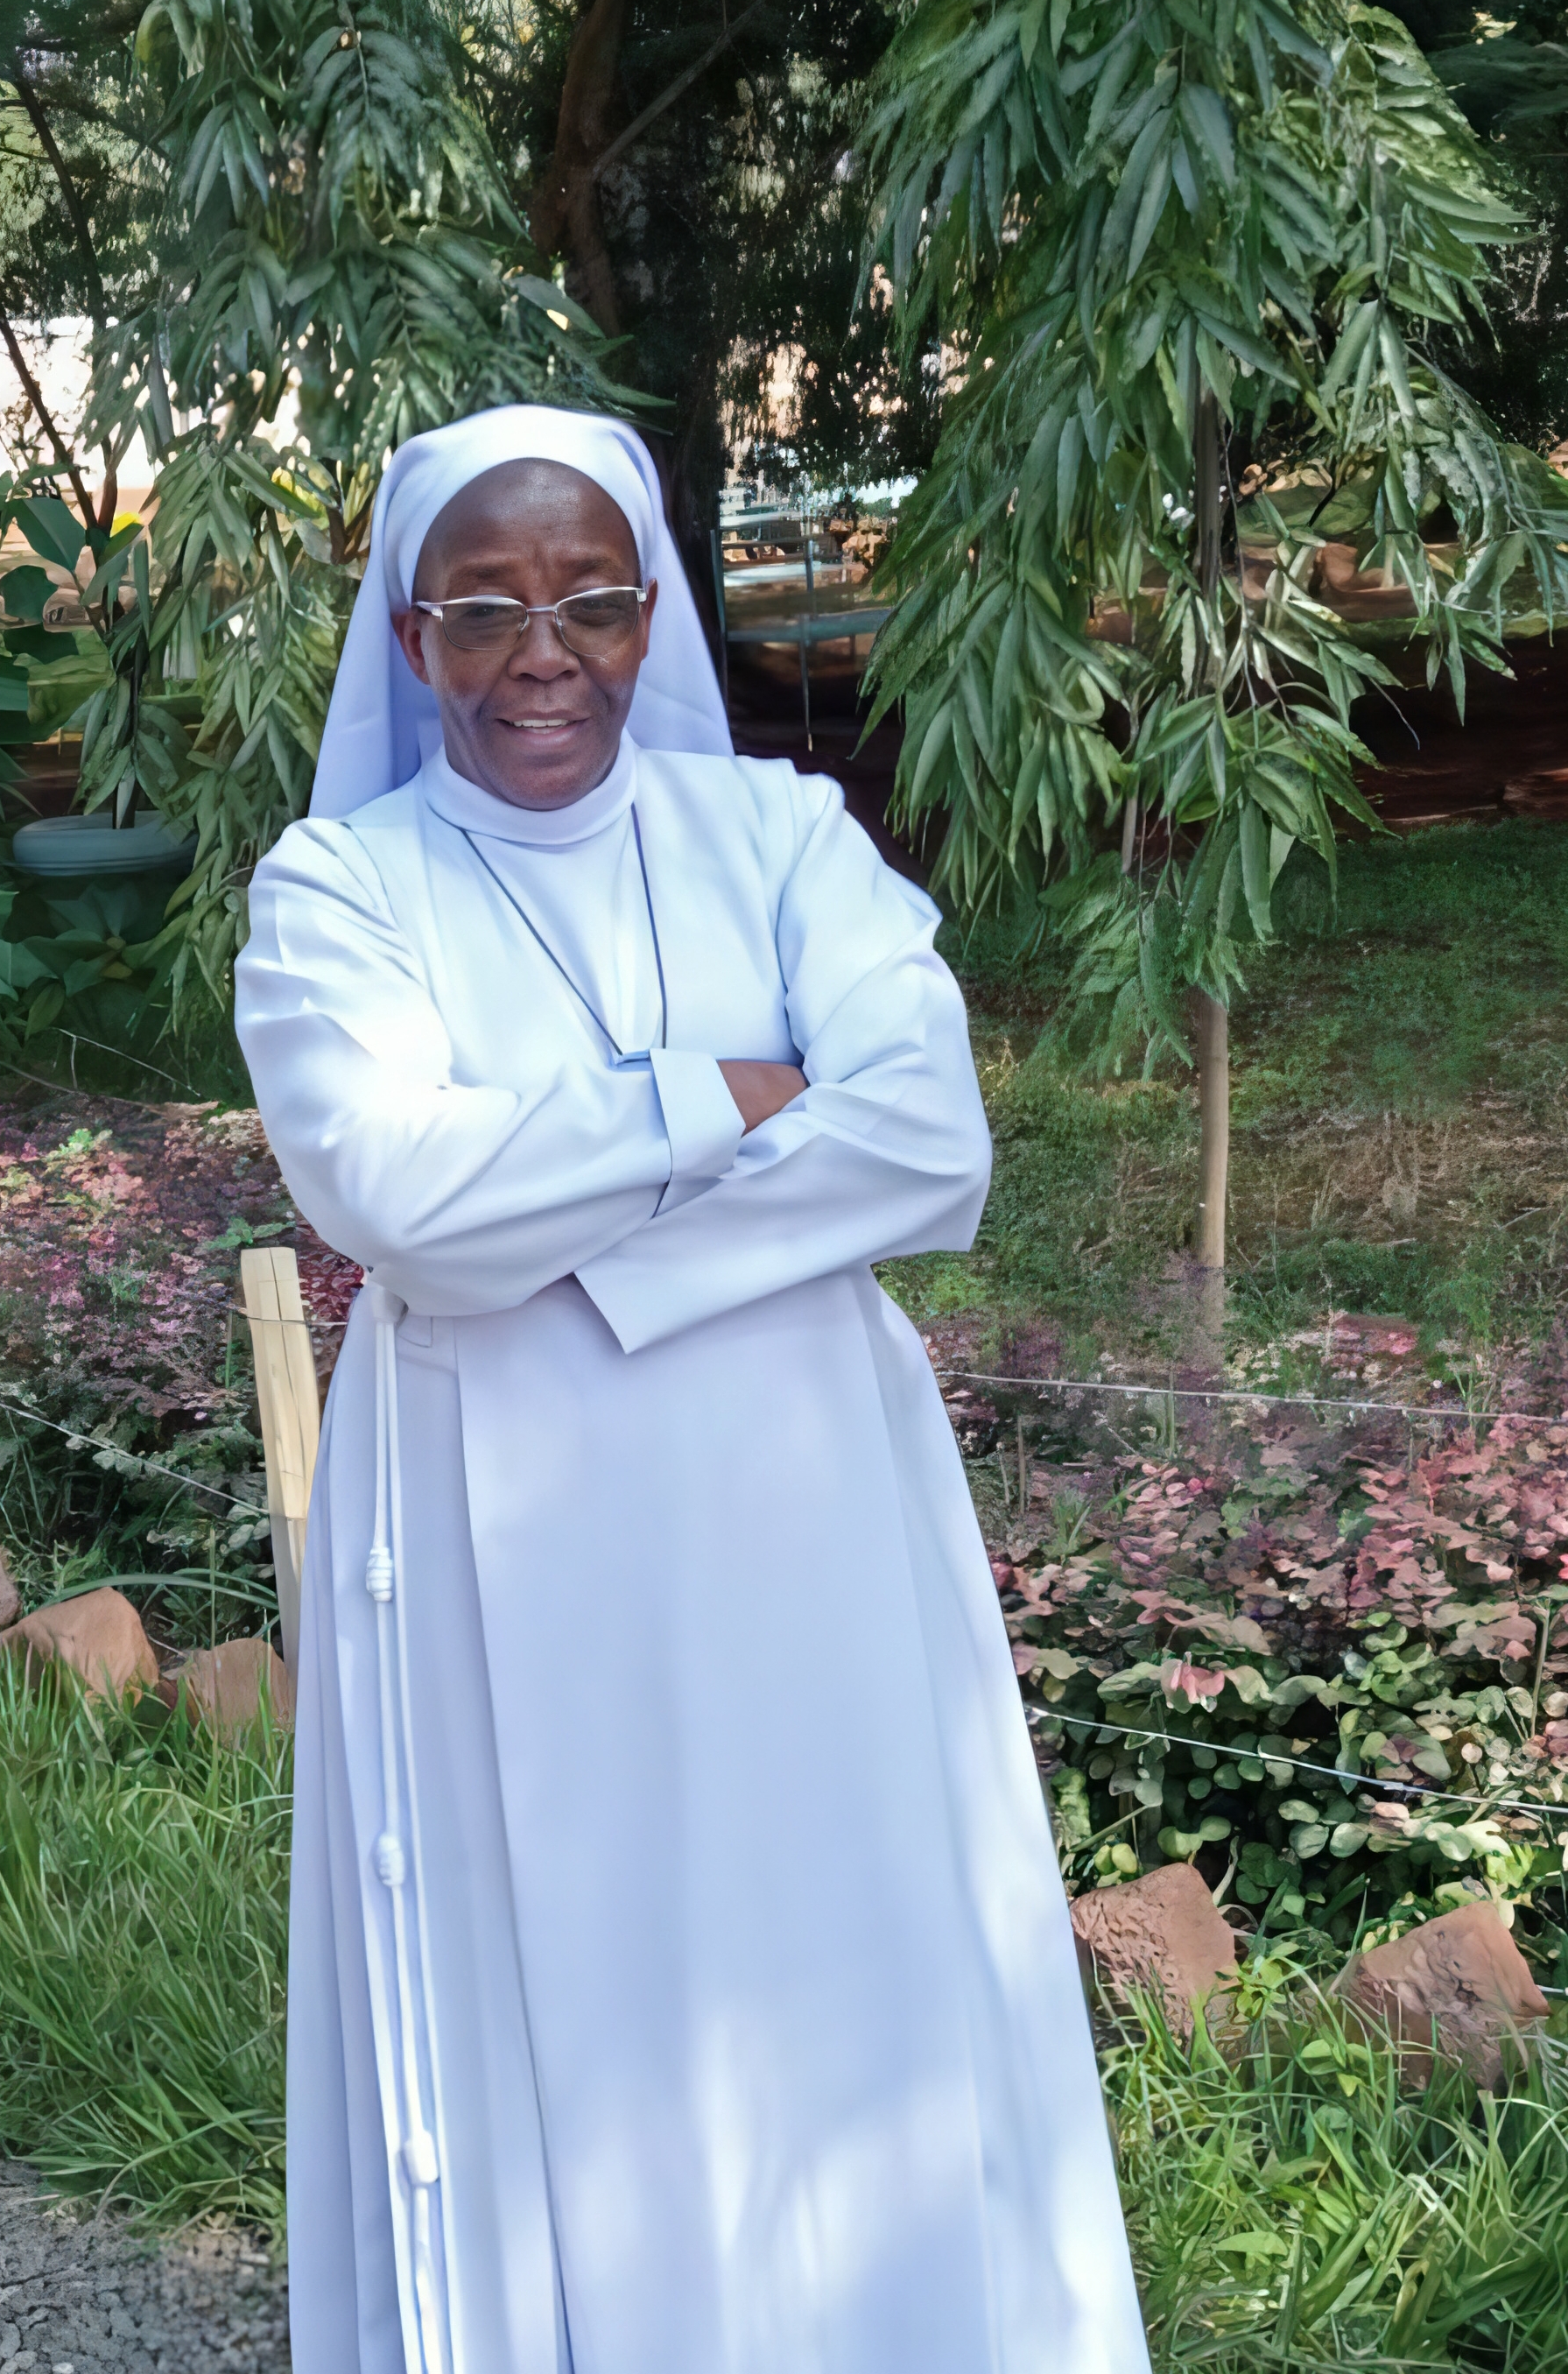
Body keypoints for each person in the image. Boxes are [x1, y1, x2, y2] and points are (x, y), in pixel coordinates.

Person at [235, 405, 1150, 2374]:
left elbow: (931, 1146)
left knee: (837, 1958)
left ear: (654, 614)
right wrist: (718, 1100)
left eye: (589, 598)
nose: (541, 650)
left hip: (809, 1514)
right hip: (503, 1541)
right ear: (410, 638)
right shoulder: (336, 889)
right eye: (482, 606)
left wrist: (558, 1216)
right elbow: (393, 1198)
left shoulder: (781, 835)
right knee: (578, 1993)